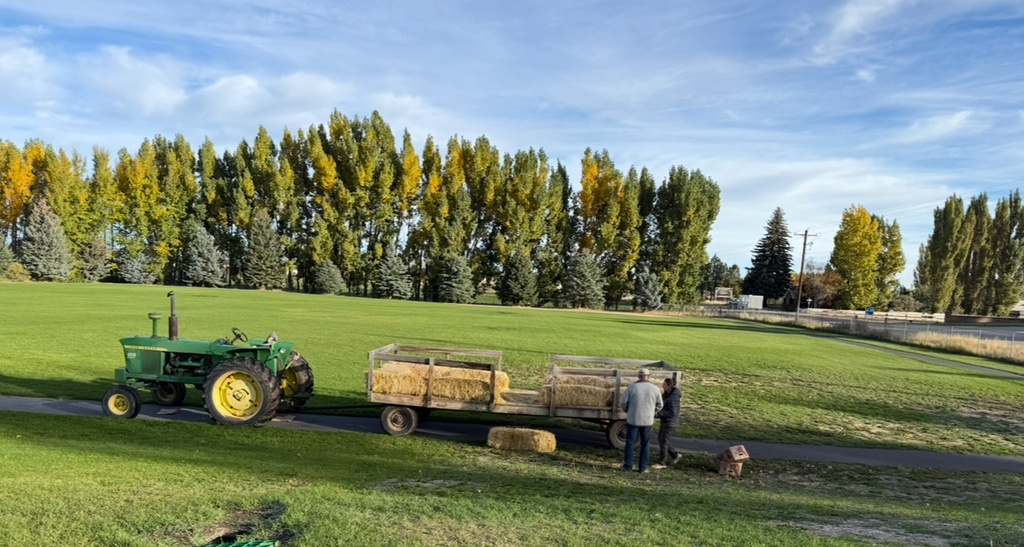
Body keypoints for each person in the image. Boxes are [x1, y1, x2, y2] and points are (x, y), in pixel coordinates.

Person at [619, 368, 663, 473]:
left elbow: (623, 402)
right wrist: (652, 412)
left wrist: (628, 410)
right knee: (645, 443)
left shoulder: (632, 387)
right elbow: (660, 404)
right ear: (649, 376)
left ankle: (628, 466)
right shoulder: (655, 389)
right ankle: (643, 468)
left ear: (639, 376)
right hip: (647, 420)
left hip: (633, 419)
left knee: (630, 442)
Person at [655, 377, 682, 466]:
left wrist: (659, 414)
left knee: (663, 441)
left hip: (670, 422)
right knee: (661, 439)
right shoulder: (666, 394)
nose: (663, 387)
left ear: (670, 386)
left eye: (665, 385)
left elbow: (672, 412)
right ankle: (675, 455)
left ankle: (662, 462)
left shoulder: (673, 397)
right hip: (665, 421)